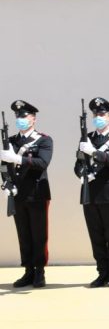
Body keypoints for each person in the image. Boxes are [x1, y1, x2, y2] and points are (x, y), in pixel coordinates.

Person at [75, 97, 109, 287]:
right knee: (96, 236)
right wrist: (82, 174)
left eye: (102, 114)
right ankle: (101, 273)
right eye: (95, 114)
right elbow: (78, 166)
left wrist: (94, 152)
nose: (98, 117)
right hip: (89, 193)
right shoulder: (87, 138)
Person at [0, 100, 52, 288]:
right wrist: (6, 184)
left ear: (33, 119)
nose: (20, 119)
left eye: (24, 116)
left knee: (39, 234)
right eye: (18, 117)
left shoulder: (44, 140)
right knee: (23, 234)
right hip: (18, 194)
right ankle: (28, 271)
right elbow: (4, 166)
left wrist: (18, 158)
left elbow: (42, 163)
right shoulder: (12, 141)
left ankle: (40, 272)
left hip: (37, 193)